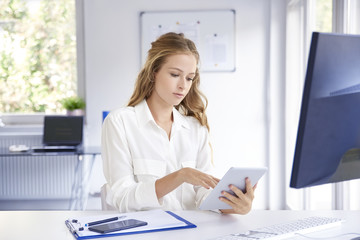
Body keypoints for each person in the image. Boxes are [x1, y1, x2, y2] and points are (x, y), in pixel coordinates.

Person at [101, 32, 256, 214]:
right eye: (175, 74)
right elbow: (122, 198)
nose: (183, 85)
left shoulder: (195, 128)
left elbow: (203, 192)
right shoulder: (120, 123)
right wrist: (180, 176)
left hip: (191, 230)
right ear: (153, 73)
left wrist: (231, 206)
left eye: (189, 78)